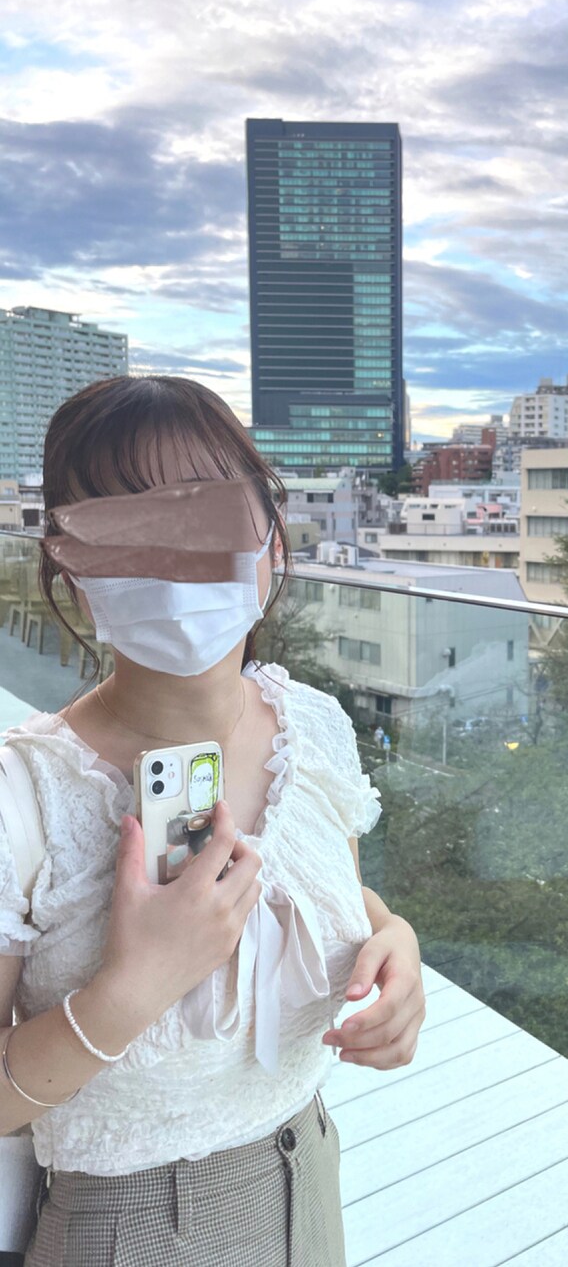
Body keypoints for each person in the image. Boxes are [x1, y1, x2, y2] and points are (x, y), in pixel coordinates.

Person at [0, 375, 426, 1266]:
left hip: (309, 1173)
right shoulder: (22, 793)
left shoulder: (312, 727)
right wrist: (133, 989)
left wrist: (394, 939)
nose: (175, 562)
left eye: (210, 517)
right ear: (69, 566)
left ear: (271, 533)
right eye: (127, 529)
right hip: (125, 1226)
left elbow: (337, 886)